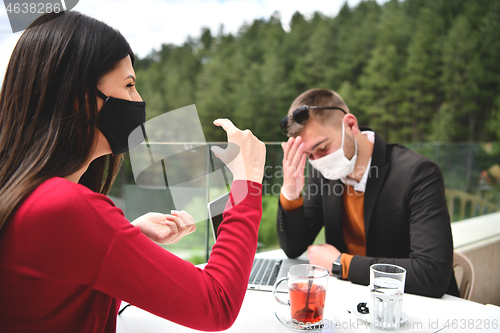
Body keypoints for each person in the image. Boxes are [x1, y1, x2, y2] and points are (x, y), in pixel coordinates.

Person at [0, 11, 266, 332]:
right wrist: (247, 182)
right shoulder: (65, 206)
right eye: (128, 85)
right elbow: (216, 303)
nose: (138, 100)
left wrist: (126, 238)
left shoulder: (25, 192)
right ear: (78, 98)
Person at [276, 89, 459, 298]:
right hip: (355, 300)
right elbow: (294, 247)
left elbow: (432, 275)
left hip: (415, 305)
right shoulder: (324, 173)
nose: (318, 161)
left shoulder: (418, 173)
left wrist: (341, 264)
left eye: (323, 147)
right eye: (309, 155)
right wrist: (291, 193)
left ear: (351, 125)